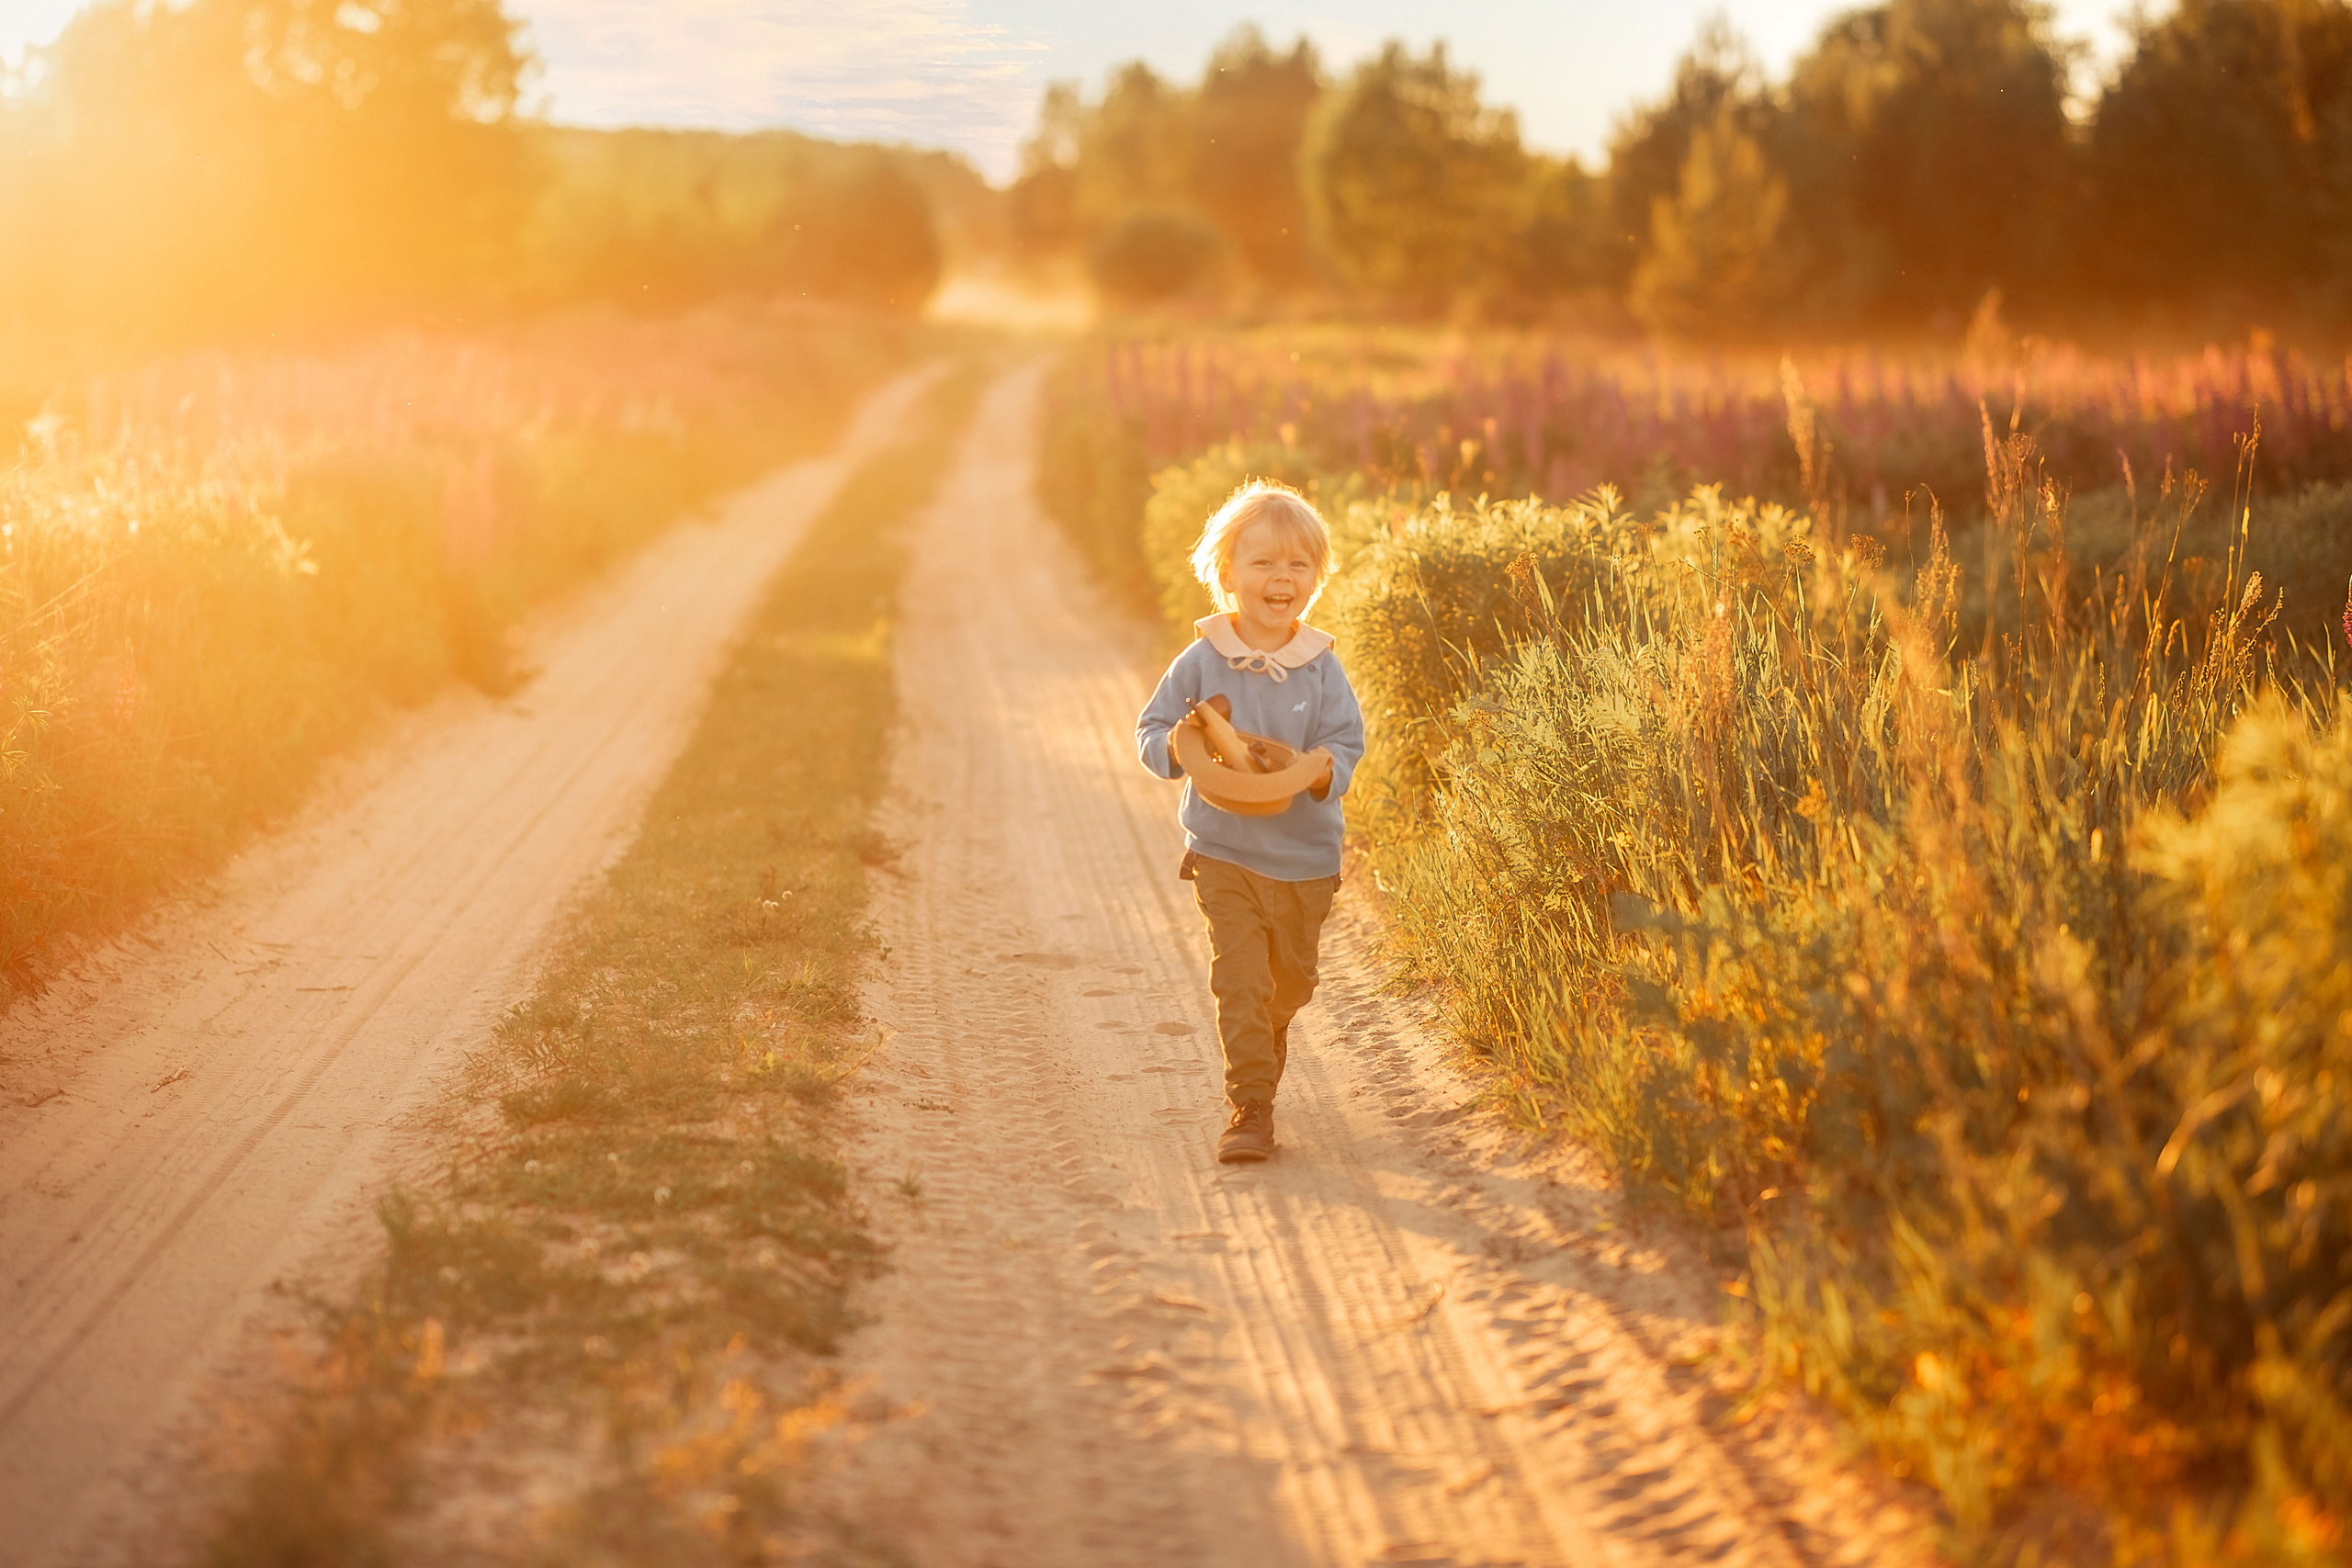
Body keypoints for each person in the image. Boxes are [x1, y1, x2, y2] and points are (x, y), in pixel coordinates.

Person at [1135, 482, 1366, 1164]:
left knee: (1288, 986)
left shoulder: (1321, 667)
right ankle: (1252, 1106)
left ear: (1316, 579)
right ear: (1228, 573)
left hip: (1305, 858)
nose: (1281, 578)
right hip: (1225, 850)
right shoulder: (1203, 658)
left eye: (1298, 565)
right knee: (1240, 980)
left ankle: (1265, 1037)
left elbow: (1346, 744)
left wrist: (1318, 770)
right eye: (1263, 563)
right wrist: (1177, 751)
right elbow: (1155, 728)